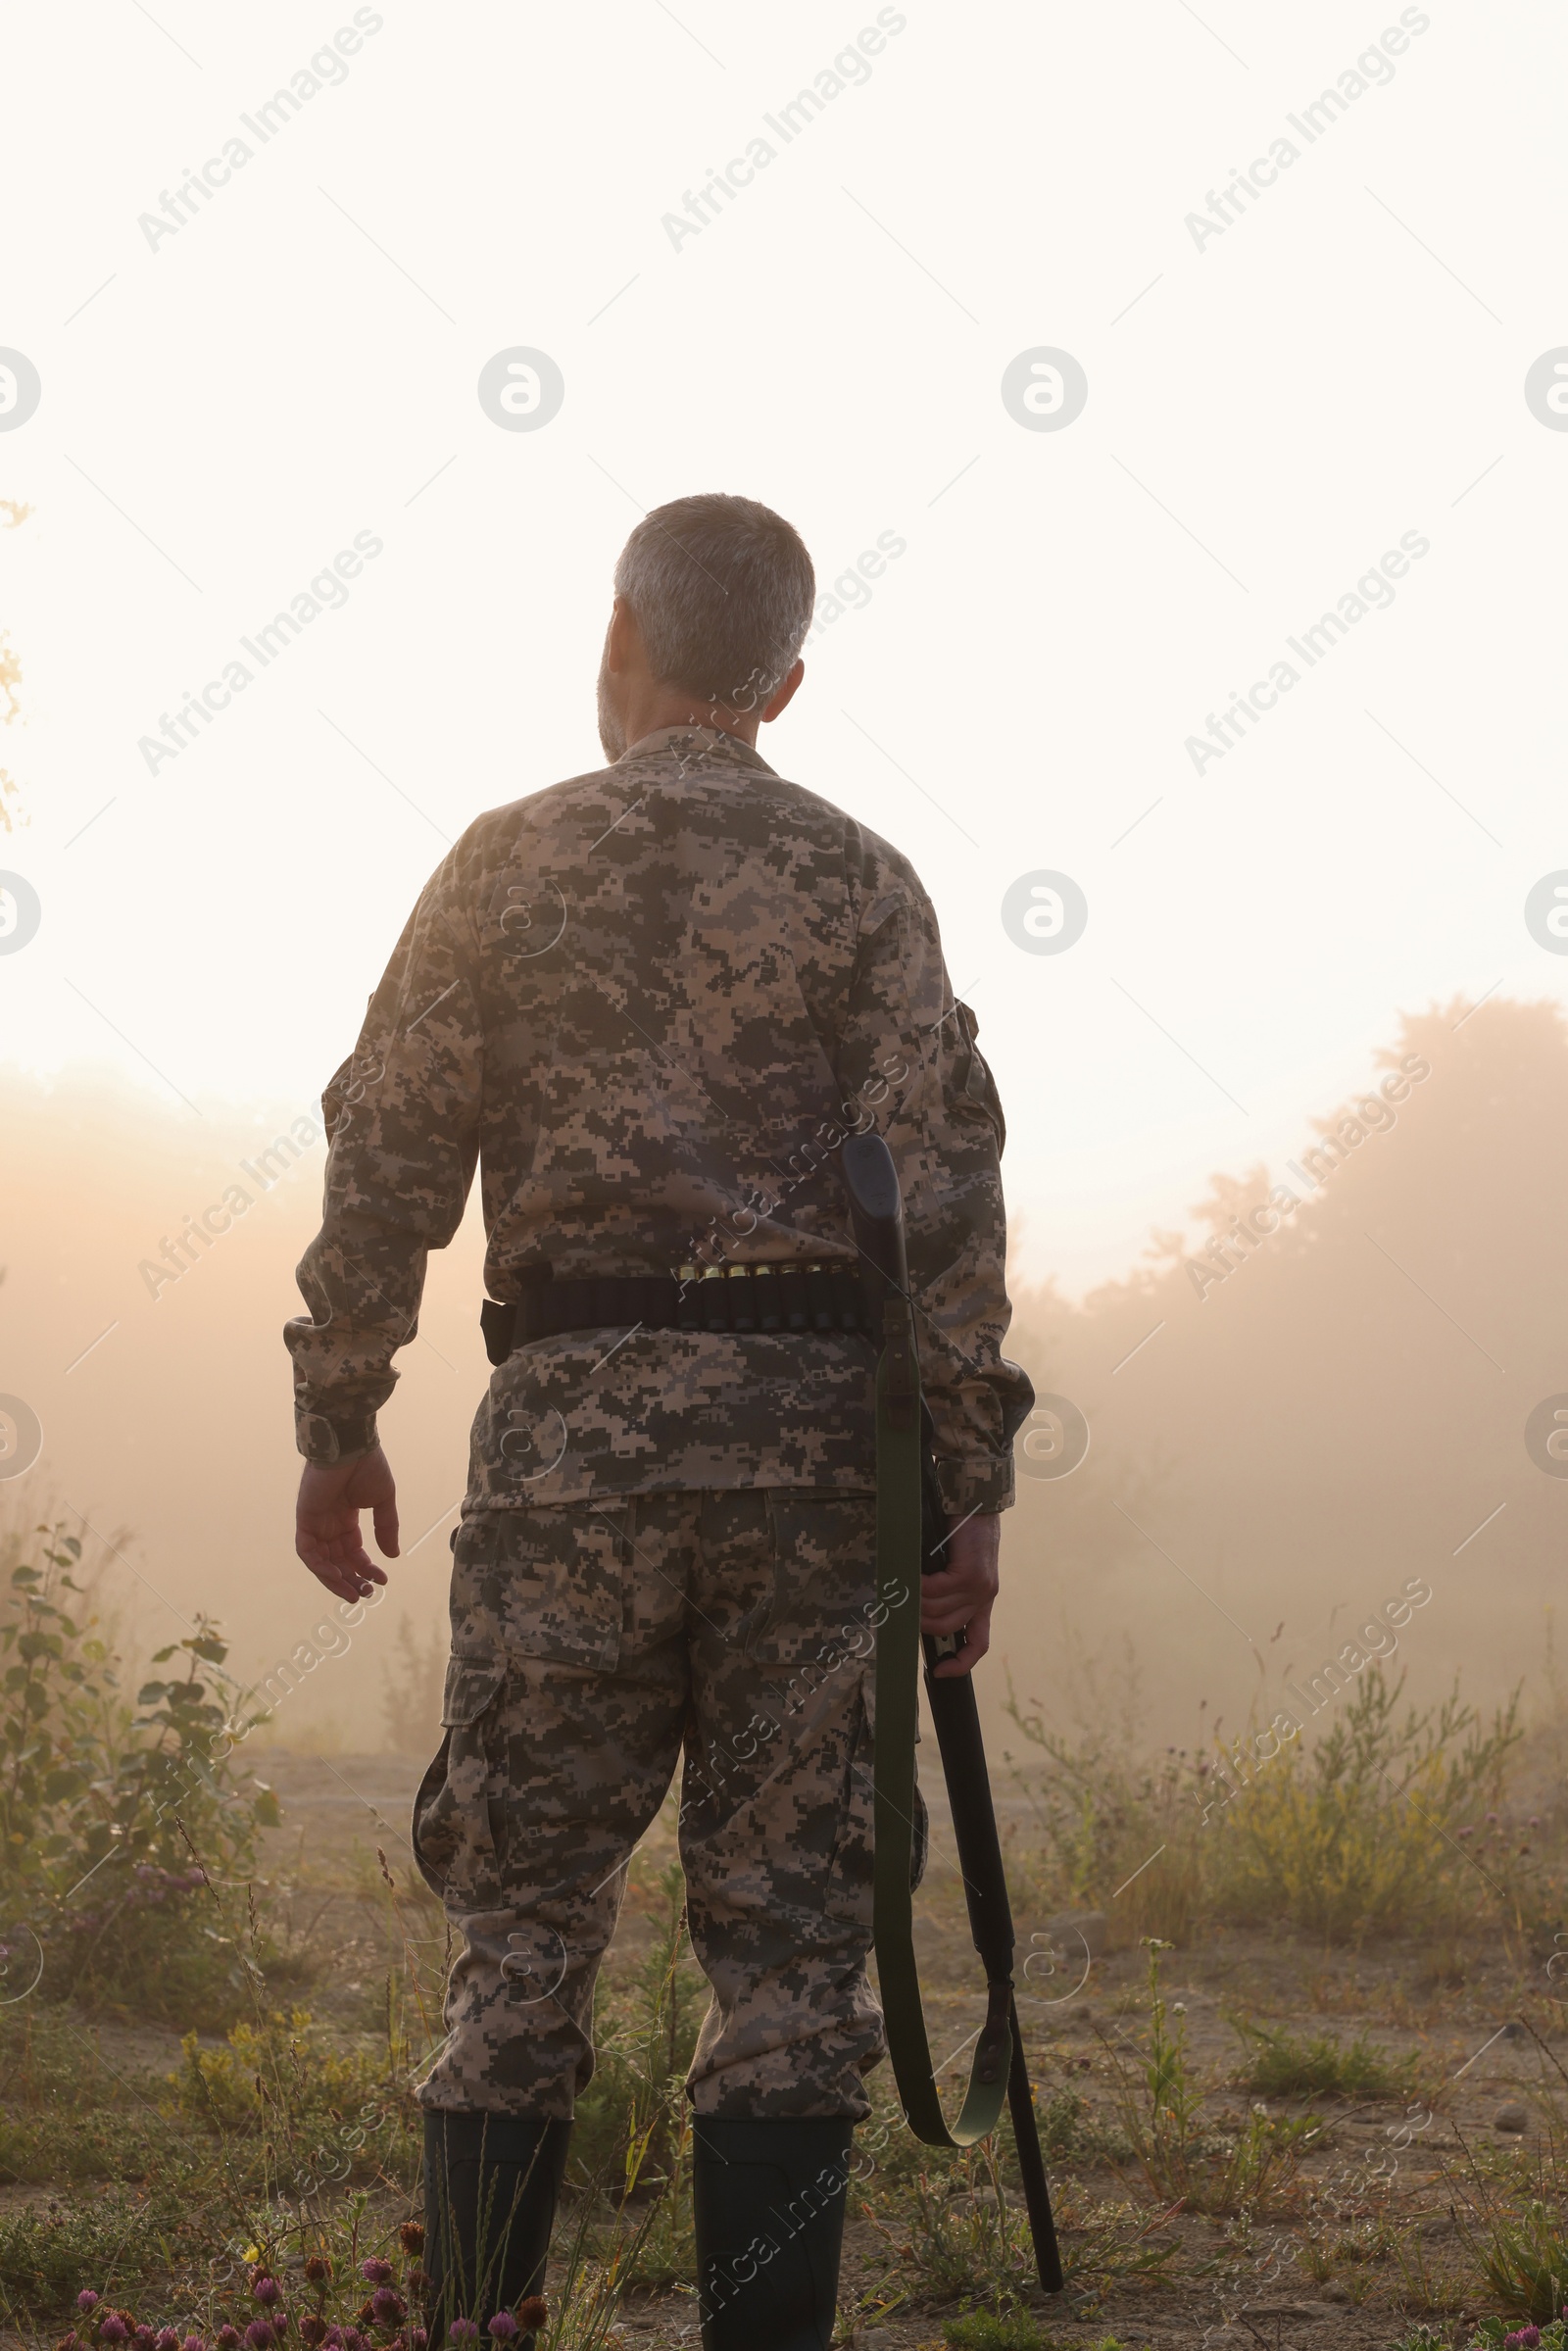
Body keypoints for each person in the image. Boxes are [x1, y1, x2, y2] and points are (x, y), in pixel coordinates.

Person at [287, 492, 1029, 2351]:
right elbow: (940, 1195)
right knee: (791, 1959)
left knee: (520, 1939)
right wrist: (968, 1482)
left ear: (617, 637)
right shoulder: (864, 882)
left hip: (562, 1470)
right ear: (785, 680)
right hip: (813, 1480)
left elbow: (390, 1145)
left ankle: (476, 2331)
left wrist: (339, 1409)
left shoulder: (503, 863)